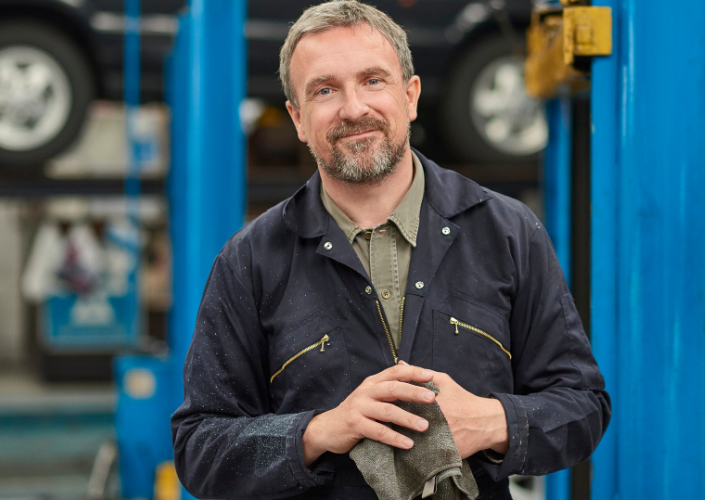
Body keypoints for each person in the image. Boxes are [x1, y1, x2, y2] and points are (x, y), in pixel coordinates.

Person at [171, 1, 610, 498]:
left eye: (373, 81)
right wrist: (319, 432)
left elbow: (584, 408)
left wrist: (490, 422)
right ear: (296, 117)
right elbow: (198, 447)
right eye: (325, 90)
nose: (354, 108)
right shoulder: (251, 261)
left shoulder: (506, 232)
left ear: (411, 94)